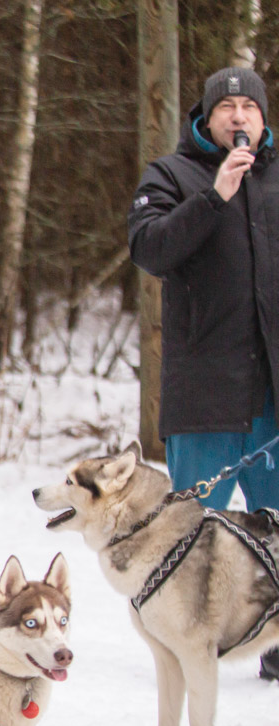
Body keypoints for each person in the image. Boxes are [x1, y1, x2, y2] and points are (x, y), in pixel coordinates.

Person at [127, 65, 279, 682]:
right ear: (206, 118)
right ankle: (187, 646)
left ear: (264, 120)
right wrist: (214, 196)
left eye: (250, 106)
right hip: (205, 393)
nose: (239, 116)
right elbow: (151, 249)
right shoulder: (171, 174)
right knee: (190, 533)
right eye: (227, 107)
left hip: (270, 394)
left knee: (276, 533)